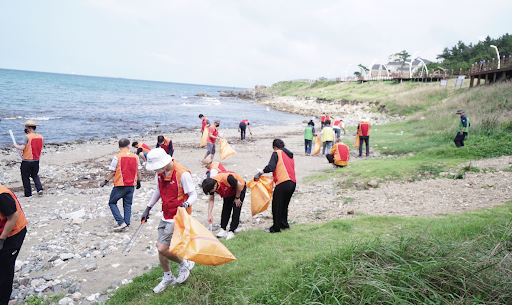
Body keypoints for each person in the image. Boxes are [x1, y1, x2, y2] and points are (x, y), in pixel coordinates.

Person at [141, 148, 196, 293]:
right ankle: (168, 277)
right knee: (161, 248)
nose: (155, 171)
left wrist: (187, 204)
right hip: (165, 214)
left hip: (178, 216)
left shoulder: (182, 174)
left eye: (156, 168)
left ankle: (185, 263)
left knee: (163, 248)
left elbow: (193, 194)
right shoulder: (160, 173)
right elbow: (158, 190)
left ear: (164, 163)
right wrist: (148, 207)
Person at [254, 139, 296, 233]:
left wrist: (260, 172)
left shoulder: (276, 153)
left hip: (283, 182)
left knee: (276, 205)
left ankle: (275, 228)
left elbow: (271, 167)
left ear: (274, 147)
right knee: (284, 205)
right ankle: (284, 225)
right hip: (292, 182)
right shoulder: (290, 155)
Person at [100, 138, 142, 231]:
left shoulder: (117, 157)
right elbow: (138, 171)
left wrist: (106, 181)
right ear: (128, 146)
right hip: (131, 184)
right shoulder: (135, 156)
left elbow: (112, 172)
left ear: (119, 146)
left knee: (112, 202)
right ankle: (126, 223)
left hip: (120, 184)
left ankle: (120, 222)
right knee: (127, 204)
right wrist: (139, 181)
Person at [0, 184, 28, 305]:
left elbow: (13, 217)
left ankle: (3, 301)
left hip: (14, 233)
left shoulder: (2, 195)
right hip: (2, 228)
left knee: (5, 267)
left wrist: (1, 240)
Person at [201, 171, 246, 240]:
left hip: (239, 188)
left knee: (236, 208)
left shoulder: (227, 178)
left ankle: (232, 230)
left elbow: (239, 185)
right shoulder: (210, 185)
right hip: (228, 191)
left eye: (211, 191)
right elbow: (211, 200)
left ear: (215, 186)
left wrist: (237, 198)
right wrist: (209, 214)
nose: (211, 193)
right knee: (226, 208)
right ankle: (223, 229)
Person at [13, 120, 44, 197]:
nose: (25, 129)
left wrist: (16, 146)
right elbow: (41, 147)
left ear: (29, 128)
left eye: (26, 127)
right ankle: (39, 189)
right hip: (36, 160)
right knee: (35, 175)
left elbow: (22, 148)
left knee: (25, 177)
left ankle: (28, 194)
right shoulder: (40, 137)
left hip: (27, 160)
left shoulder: (27, 137)